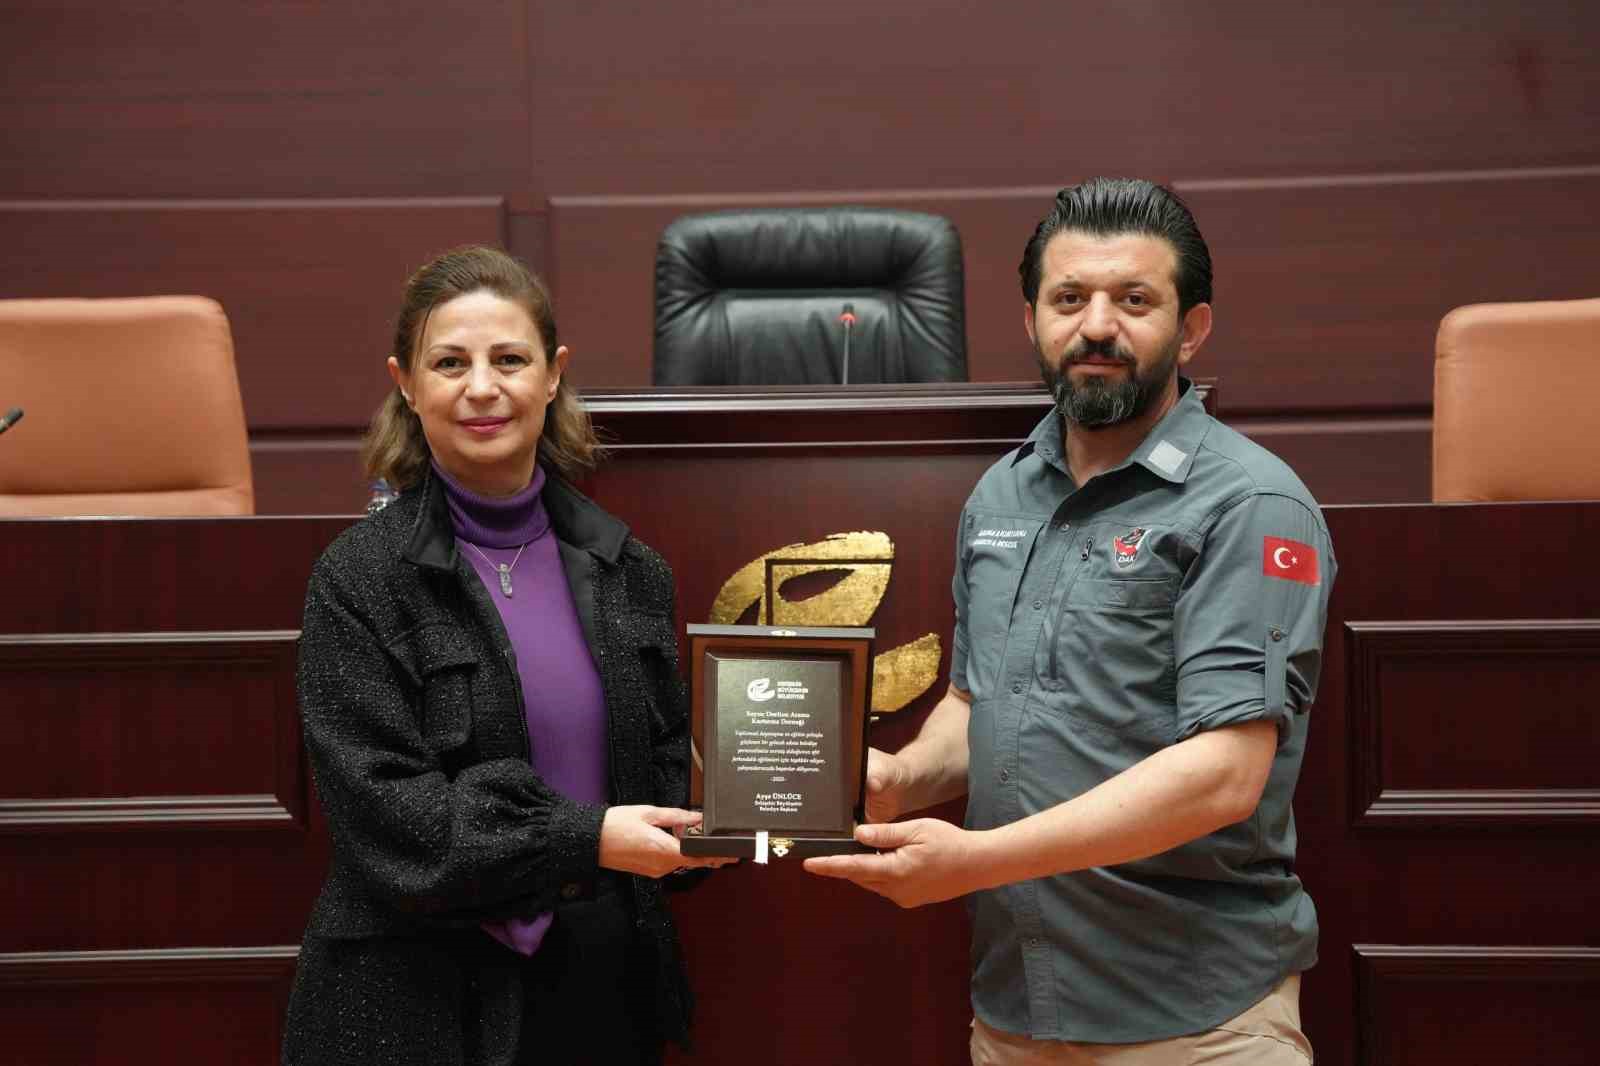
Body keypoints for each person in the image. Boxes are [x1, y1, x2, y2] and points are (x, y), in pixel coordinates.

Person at [806, 178, 1334, 1065]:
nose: (1096, 326)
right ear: (1031, 321)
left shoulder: (1251, 503)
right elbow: (977, 704)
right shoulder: (1002, 492)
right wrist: (898, 779)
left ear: (1191, 329)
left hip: (1197, 1021)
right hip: (1017, 1011)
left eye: (1134, 300)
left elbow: (1224, 776)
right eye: (1068, 299)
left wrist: (974, 861)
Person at [282, 245, 728, 1066]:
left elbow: (662, 776)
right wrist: (588, 836)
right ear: (406, 384)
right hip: (416, 1002)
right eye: (450, 363)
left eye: (510, 360)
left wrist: (741, 805)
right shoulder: (357, 580)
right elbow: (392, 818)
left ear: (553, 376)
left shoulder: (632, 573)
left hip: (600, 992)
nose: (482, 387)